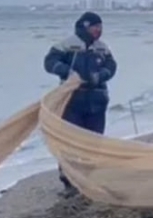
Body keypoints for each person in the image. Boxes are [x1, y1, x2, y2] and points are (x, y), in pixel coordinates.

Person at [43, 11, 118, 196]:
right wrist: (66, 72)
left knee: (93, 142)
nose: (98, 30)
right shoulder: (67, 45)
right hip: (72, 101)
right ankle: (69, 181)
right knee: (70, 141)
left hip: (97, 101)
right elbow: (49, 61)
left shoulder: (102, 48)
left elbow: (112, 66)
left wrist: (101, 76)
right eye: (95, 27)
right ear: (85, 26)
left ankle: (88, 179)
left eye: (100, 27)